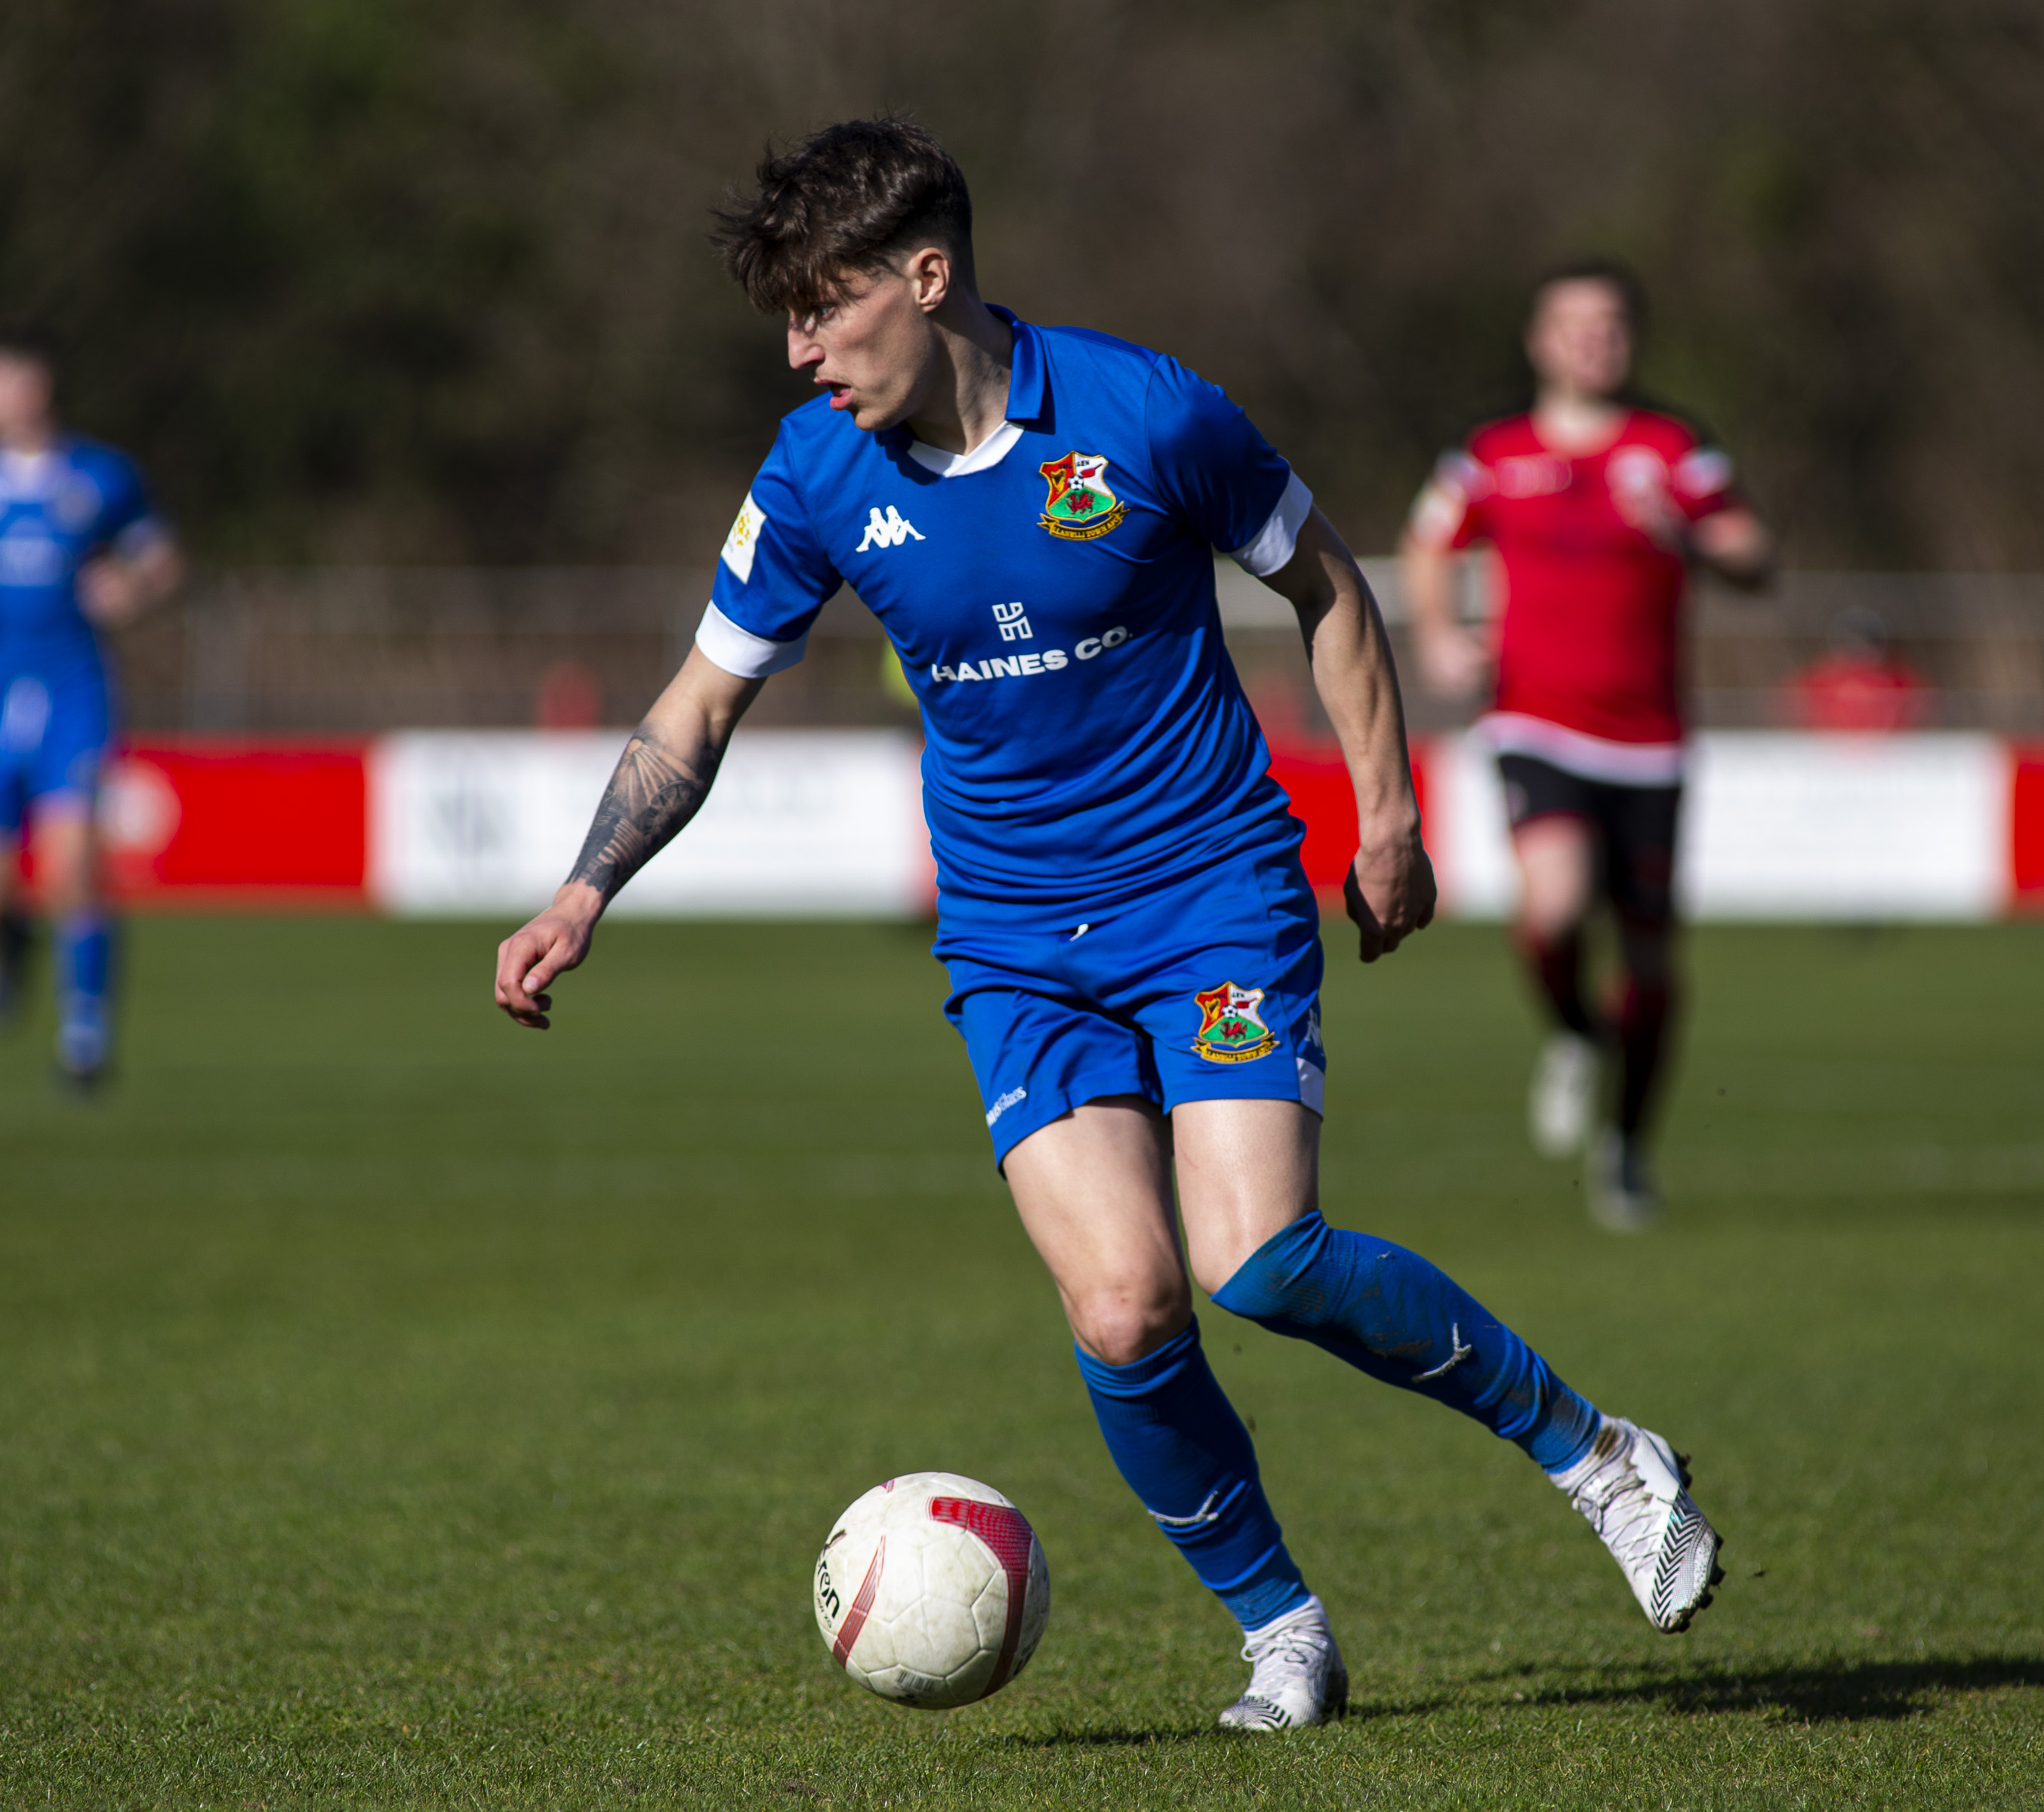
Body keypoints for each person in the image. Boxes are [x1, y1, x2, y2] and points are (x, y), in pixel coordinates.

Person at [492, 122, 1722, 1732]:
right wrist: (588, 886)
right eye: (784, 317)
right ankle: (1278, 1628)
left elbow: (1333, 588)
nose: (799, 349)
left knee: (1263, 1265)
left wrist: (1395, 819)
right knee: (1127, 1305)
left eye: (823, 307)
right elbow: (698, 704)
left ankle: (1600, 1455)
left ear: (927, 278)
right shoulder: (812, 471)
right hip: (1010, 937)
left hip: (1208, 891)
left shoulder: (1148, 412)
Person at [1398, 262, 1772, 1231]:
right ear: (1538, 340)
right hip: (1537, 720)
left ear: (1630, 340)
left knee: (1650, 963)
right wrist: (1440, 631)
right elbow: (1427, 545)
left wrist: (1695, 538)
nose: (1593, 340)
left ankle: (1629, 1149)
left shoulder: (1672, 447)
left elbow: (1753, 553)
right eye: (1574, 324)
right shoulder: (1491, 452)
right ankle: (1574, 1034)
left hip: (1651, 741)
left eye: (1610, 325)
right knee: (1556, 907)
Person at [0, 331, 181, 1089]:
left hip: (73, 693)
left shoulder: (99, 477)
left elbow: (161, 559)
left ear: (30, 389)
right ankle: (8, 942)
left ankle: (85, 1036)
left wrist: (131, 588)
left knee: (72, 869)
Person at [1785, 608, 1927, 732]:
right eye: (1850, 645)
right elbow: (1796, 704)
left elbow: (1920, 704)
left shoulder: (1896, 678)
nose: (1858, 653)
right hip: (1830, 752)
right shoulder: (1823, 678)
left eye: (1864, 646)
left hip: (1885, 753)